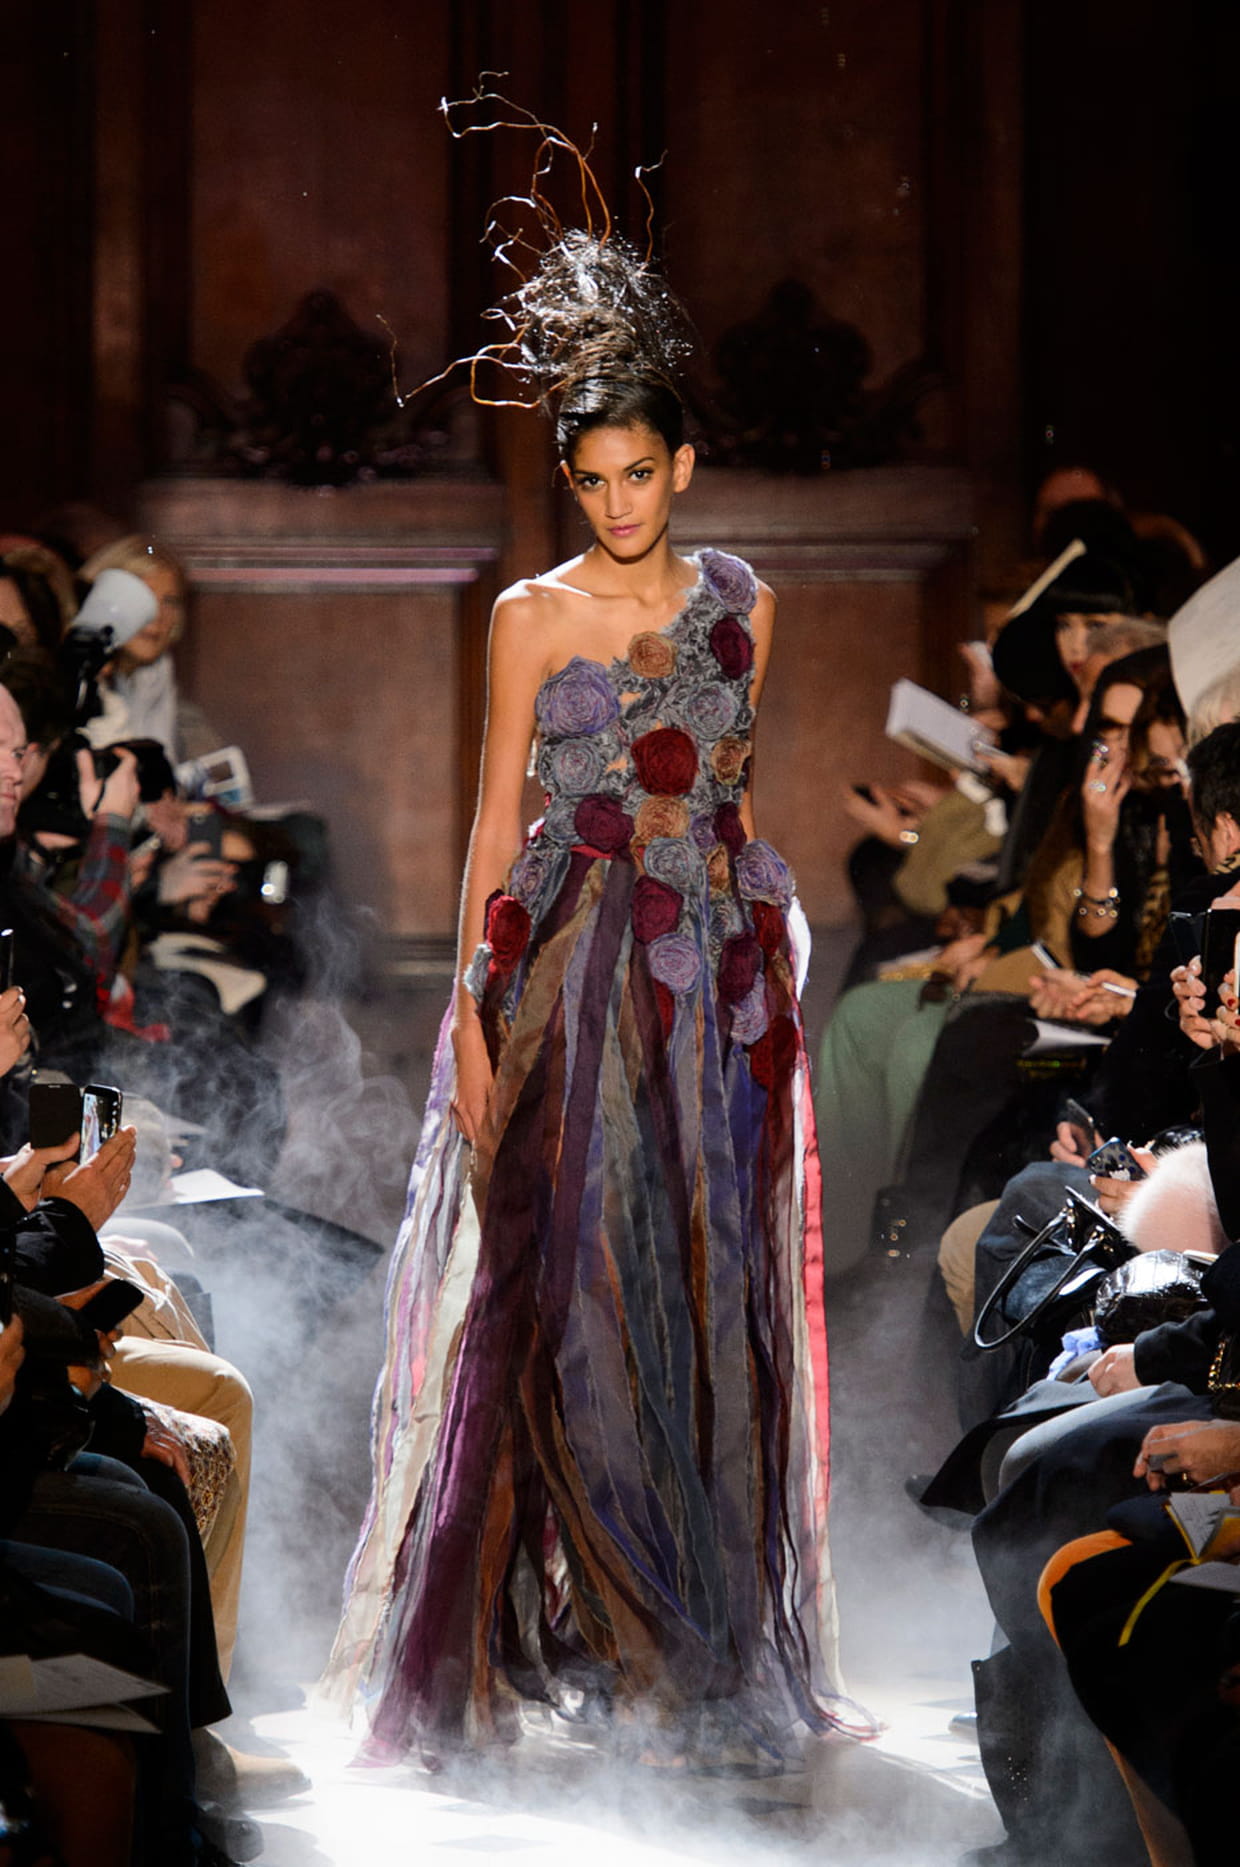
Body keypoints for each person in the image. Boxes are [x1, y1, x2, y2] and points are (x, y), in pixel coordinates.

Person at [326, 214, 858, 1767]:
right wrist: (469, 1012)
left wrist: (768, 978)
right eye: (593, 479)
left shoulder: (747, 602)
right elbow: (499, 817)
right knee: (559, 1286)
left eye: (641, 473)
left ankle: (689, 1650)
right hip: (566, 969)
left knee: (701, 1286)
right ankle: (588, 1634)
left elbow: (736, 805)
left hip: (710, 981)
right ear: (572, 483)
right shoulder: (529, 613)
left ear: (684, 466)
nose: (619, 502)